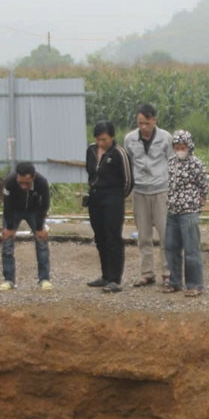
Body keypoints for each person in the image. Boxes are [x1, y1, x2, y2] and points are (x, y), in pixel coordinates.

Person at [125, 102, 172, 287]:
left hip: (161, 190)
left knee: (166, 233)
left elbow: (172, 162)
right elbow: (128, 163)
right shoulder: (130, 139)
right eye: (140, 123)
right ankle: (147, 273)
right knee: (143, 235)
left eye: (147, 123)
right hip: (140, 192)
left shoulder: (166, 138)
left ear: (154, 120)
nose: (143, 127)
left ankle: (168, 273)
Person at [84, 120, 131, 292]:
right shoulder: (90, 150)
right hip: (95, 197)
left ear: (112, 137)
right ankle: (105, 275)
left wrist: (117, 197)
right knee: (100, 236)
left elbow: (128, 181)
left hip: (113, 198)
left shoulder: (119, 153)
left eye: (104, 139)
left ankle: (115, 279)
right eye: (98, 139)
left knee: (113, 237)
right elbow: (90, 172)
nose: (100, 143)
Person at [164, 128, 209, 296]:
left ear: (189, 146)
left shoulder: (196, 164)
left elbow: (203, 186)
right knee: (171, 247)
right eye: (177, 146)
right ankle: (175, 282)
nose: (179, 150)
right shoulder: (171, 162)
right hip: (172, 210)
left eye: (183, 146)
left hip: (189, 211)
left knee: (191, 250)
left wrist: (198, 203)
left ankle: (195, 285)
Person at [0, 161, 52, 291]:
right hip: (14, 210)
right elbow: (7, 205)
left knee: (42, 242)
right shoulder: (10, 181)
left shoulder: (42, 182)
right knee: (7, 243)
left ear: (33, 177)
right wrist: (10, 227)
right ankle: (9, 280)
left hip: (34, 211)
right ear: (17, 176)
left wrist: (40, 228)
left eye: (27, 183)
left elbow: (44, 205)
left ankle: (44, 279)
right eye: (20, 182)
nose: (23, 186)